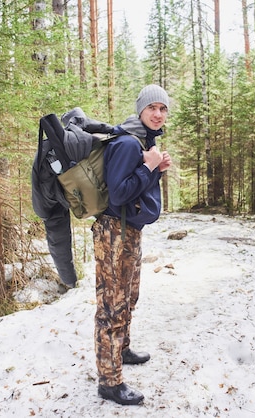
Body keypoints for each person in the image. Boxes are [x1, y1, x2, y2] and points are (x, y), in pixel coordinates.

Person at [92, 84, 172, 406]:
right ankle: (109, 381)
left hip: (128, 232)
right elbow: (120, 193)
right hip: (113, 233)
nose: (157, 113)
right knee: (112, 304)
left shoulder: (142, 144)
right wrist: (149, 167)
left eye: (163, 108)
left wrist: (155, 169)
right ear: (140, 110)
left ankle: (121, 349)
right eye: (152, 107)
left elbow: (137, 190)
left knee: (129, 296)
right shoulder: (127, 143)